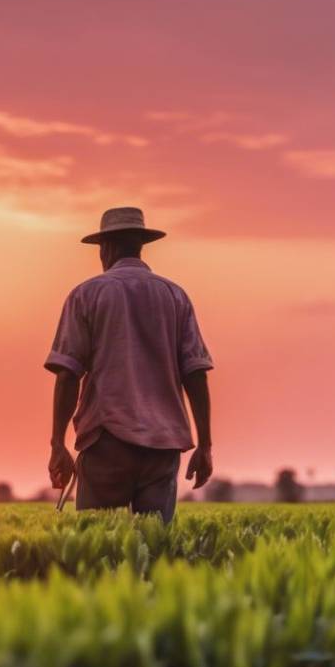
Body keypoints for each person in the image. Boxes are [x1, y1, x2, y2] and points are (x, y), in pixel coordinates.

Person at [45, 207, 213, 521]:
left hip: (107, 437)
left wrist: (57, 443)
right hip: (164, 443)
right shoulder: (174, 295)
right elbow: (196, 374)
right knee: (152, 547)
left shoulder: (87, 294)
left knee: (98, 547)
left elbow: (67, 374)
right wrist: (205, 445)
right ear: (140, 244)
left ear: (105, 248)